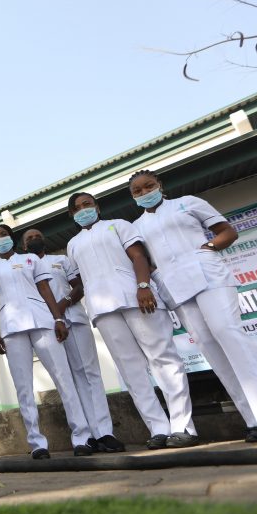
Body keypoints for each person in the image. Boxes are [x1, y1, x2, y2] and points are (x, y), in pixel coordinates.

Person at [131, 169, 257, 445]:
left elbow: (227, 231)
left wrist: (208, 247)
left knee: (228, 332)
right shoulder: (137, 226)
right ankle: (256, 420)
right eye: (137, 191)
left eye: (148, 186)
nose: (144, 192)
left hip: (209, 275)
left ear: (159, 185)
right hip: (176, 288)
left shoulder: (188, 203)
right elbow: (143, 259)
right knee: (211, 348)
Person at [66, 192, 198, 450]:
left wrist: (143, 286)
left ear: (97, 206)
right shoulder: (73, 244)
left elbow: (139, 257)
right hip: (103, 309)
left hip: (137, 297)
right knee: (131, 370)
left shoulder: (119, 225)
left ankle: (183, 427)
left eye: (87, 204)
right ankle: (158, 429)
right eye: (78, 208)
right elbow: (79, 280)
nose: (84, 210)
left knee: (163, 359)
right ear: (72, 215)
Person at [0, 224, 93, 458]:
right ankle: (37, 444)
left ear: (12, 238)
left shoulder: (31, 259)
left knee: (64, 379)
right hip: (12, 329)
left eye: (3, 235)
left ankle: (81, 437)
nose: (0, 239)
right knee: (23, 387)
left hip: (42, 321)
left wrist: (58, 318)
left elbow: (45, 289)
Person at [21, 228, 126, 453]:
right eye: (29, 238)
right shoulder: (22, 267)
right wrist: (52, 313)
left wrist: (64, 303)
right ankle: (84, 436)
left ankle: (104, 433)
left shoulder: (61, 260)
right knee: (66, 380)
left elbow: (79, 285)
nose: (34, 239)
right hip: (47, 326)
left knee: (89, 373)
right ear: (24, 246)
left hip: (74, 318)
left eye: (38, 236)